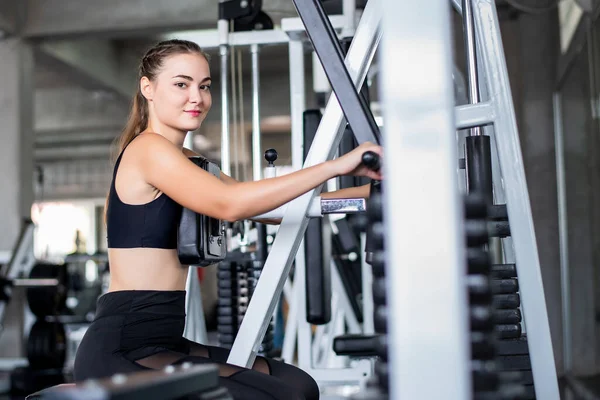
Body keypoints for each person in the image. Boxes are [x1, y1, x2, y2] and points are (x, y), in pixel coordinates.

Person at [73, 39, 383, 400]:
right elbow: (230, 204)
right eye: (181, 84)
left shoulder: (185, 158)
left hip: (164, 340)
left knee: (299, 385)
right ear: (148, 88)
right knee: (283, 396)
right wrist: (336, 165)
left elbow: (268, 209)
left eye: (204, 86)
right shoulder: (148, 150)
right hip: (124, 347)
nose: (197, 97)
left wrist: (369, 193)